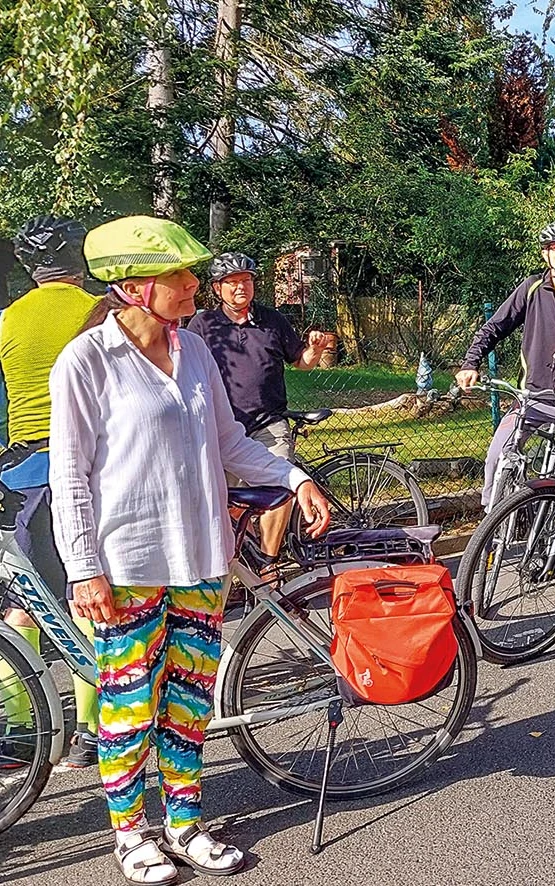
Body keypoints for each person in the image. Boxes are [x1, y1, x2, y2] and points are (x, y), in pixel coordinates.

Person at [48, 216, 332, 883]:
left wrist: (294, 476)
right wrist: (83, 567)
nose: (192, 284)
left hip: (202, 558)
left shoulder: (194, 350)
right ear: (134, 287)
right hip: (128, 567)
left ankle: (183, 821)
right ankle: (131, 835)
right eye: (180, 275)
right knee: (128, 706)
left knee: (189, 702)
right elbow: (69, 475)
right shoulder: (86, 361)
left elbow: (231, 444)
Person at [0, 215, 102, 771]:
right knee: (87, 597)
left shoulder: (6, 321)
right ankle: (89, 735)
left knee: (25, 606)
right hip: (84, 468)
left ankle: (17, 734)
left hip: (20, 475)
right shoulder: (97, 312)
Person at [453, 221, 555, 582]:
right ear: (546, 254)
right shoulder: (532, 289)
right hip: (533, 396)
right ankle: (491, 529)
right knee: (497, 454)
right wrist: (470, 362)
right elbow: (495, 326)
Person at [186, 252, 332, 559]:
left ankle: (268, 563)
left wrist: (314, 351)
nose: (241, 288)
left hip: (269, 422)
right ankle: (242, 561)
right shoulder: (203, 324)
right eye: (233, 282)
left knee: (279, 492)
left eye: (247, 281)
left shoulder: (273, 320)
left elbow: (300, 362)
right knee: (226, 499)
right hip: (222, 427)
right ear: (217, 289)